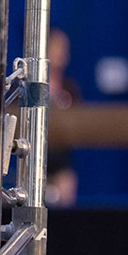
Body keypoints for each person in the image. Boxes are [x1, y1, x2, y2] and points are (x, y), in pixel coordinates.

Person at [44, 27, 79, 206]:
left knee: (66, 183)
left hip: (60, 163)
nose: (62, 53)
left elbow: (81, 125)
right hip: (27, 160)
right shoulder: (23, 87)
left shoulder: (69, 88)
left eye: (64, 48)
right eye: (57, 47)